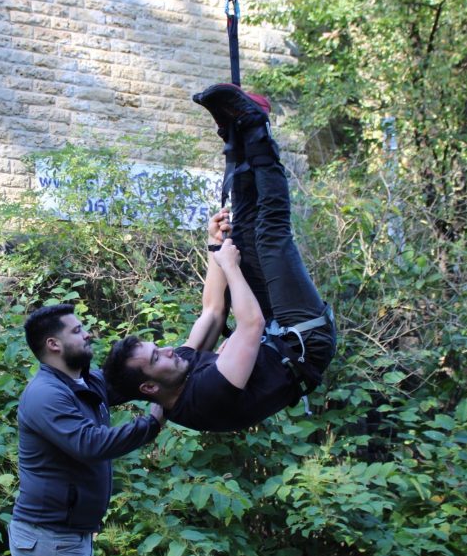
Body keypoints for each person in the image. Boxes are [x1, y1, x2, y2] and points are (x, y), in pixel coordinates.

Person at [102, 83, 337, 432]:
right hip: (302, 340)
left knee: (238, 234)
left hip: (268, 329)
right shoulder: (204, 398)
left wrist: (215, 247)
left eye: (159, 347)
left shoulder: (173, 369)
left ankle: (235, 136)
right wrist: (229, 265)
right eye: (156, 357)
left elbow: (212, 312)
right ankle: (255, 127)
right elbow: (250, 325)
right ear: (150, 387)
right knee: (271, 236)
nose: (168, 351)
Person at [6, 303, 164, 556]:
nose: (88, 332)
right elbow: (90, 444)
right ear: (53, 344)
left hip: (59, 535)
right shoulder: (46, 394)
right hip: (51, 538)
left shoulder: (83, 383)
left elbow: (122, 384)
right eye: (77, 330)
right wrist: (151, 424)